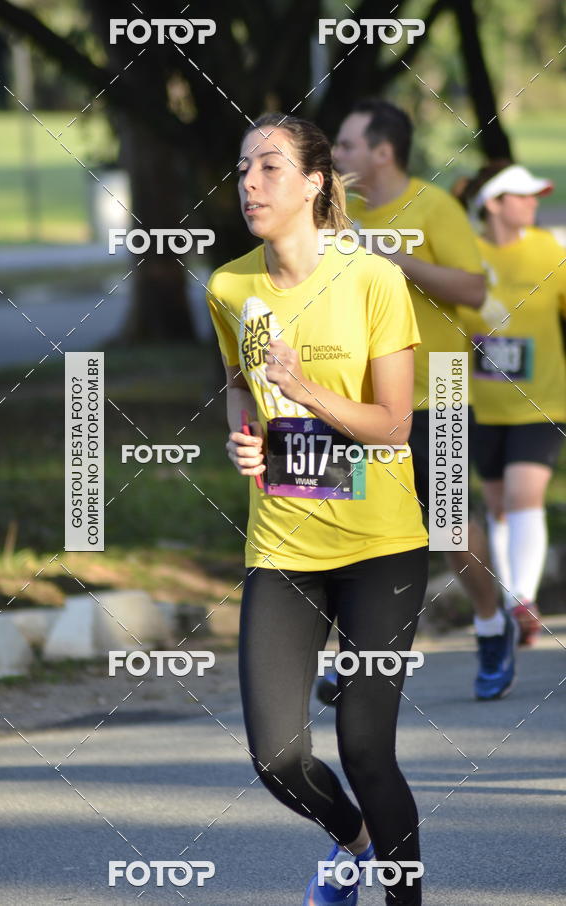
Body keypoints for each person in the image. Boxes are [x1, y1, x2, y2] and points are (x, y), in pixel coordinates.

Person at [205, 112, 428, 906]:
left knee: (366, 750)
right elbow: (237, 382)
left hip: (382, 544)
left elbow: (394, 423)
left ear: (314, 183)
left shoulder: (372, 280)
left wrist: (304, 391)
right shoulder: (230, 285)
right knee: (277, 757)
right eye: (241, 170)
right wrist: (245, 436)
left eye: (268, 168)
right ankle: (356, 846)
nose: (250, 184)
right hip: (284, 544)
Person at [329, 98, 519, 701]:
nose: (336, 155)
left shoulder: (433, 208)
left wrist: (395, 258)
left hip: (438, 391)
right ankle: (352, 657)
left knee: (447, 530)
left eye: (347, 145)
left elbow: (472, 288)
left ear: (383, 152)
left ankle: (493, 624)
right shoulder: (341, 214)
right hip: (359, 399)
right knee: (351, 529)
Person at [456, 162, 566, 646]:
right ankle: (507, 600)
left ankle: (523, 599)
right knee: (498, 506)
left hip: (542, 401)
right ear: (494, 204)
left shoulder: (549, 249)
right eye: (522, 196)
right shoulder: (465, 256)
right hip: (480, 404)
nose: (533, 203)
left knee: (525, 495)